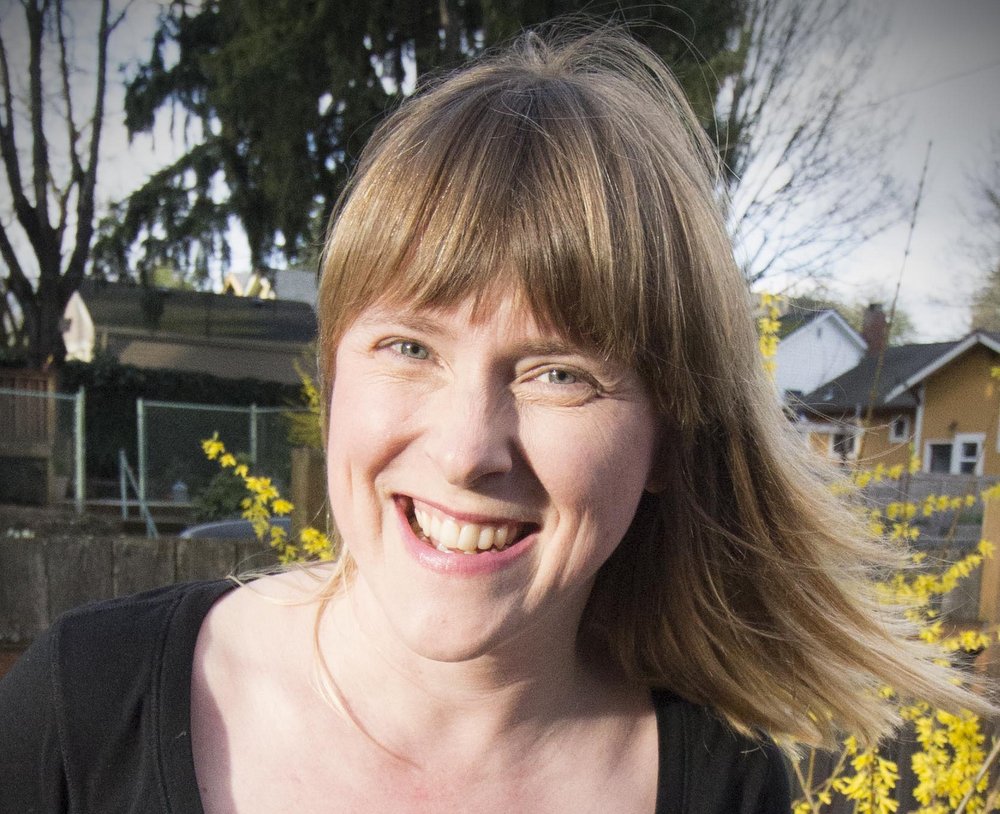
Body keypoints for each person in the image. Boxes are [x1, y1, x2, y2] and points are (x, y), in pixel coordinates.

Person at [0, 26, 984, 814]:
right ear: (332, 376)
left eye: (560, 373)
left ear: (669, 442)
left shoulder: (722, 782)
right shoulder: (85, 707)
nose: (468, 448)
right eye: (409, 347)